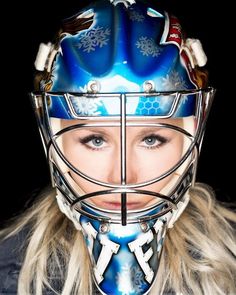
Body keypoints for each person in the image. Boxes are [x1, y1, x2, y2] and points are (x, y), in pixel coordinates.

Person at [0, 0, 235, 294]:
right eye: (95, 140)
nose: (123, 176)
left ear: (191, 134)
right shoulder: (9, 273)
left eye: (152, 140)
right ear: (54, 139)